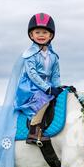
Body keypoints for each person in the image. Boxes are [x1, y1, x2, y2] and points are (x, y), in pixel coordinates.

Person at [14, 13, 63, 146]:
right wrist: (47, 88)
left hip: (46, 85)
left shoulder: (53, 57)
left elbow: (55, 75)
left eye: (44, 32)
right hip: (30, 87)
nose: (41, 35)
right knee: (44, 101)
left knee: (60, 99)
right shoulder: (30, 55)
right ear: (31, 35)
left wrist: (58, 88)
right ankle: (33, 131)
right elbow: (32, 74)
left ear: (51, 35)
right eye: (37, 32)